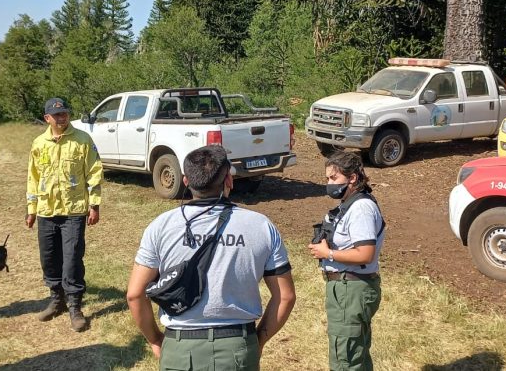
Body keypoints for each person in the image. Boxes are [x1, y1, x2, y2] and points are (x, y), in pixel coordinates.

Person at [127, 145, 296, 370]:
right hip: (238, 347)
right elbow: (285, 296)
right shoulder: (261, 226)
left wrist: (156, 340)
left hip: (179, 348)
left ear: (186, 182)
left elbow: (135, 295)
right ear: (229, 180)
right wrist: (258, 340)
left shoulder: (160, 226)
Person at [26, 97, 103, 332]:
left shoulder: (82, 140)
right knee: (49, 258)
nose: (62, 118)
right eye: (56, 115)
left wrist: (95, 205)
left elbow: (94, 172)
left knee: (71, 259)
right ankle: (56, 300)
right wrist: (31, 209)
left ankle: (74, 306)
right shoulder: (39, 143)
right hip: (46, 211)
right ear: (47, 118)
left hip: (74, 210)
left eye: (64, 114)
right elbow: (33, 178)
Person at [308, 151, 384, 371]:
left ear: (352, 178)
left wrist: (328, 254)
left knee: (346, 359)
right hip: (347, 288)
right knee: (354, 354)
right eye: (327, 179)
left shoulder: (361, 208)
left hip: (352, 289)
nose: (329, 184)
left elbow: (365, 253)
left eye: (334, 178)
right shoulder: (349, 204)